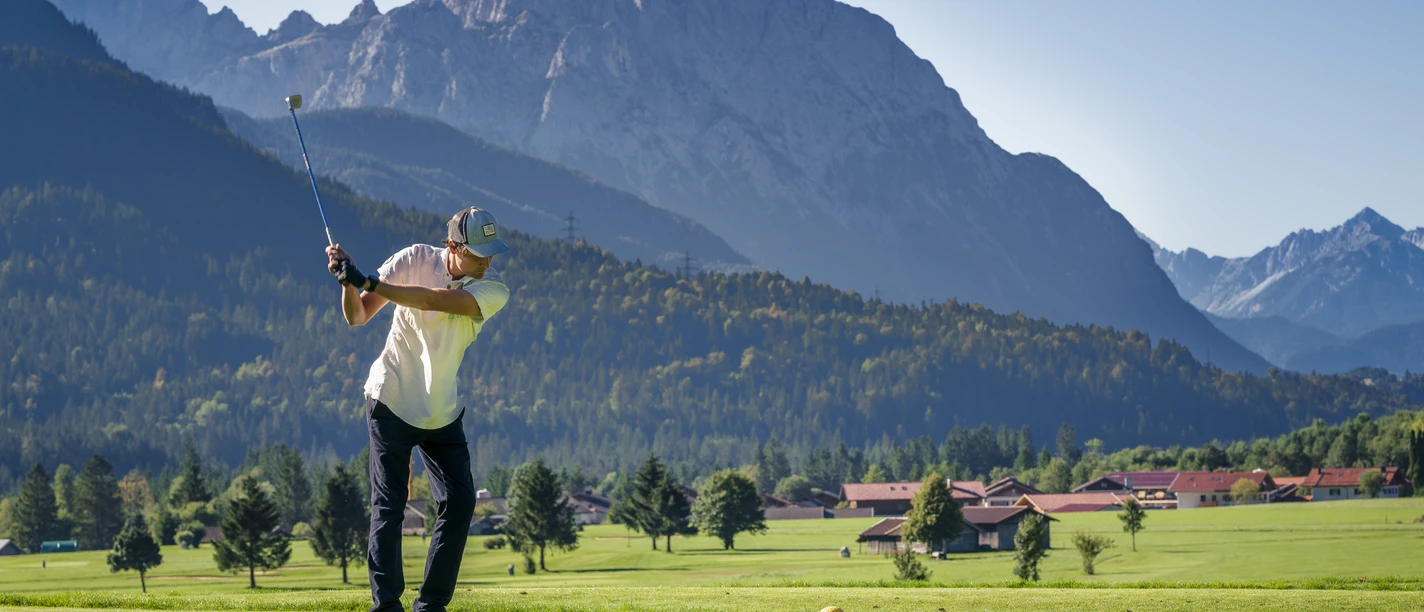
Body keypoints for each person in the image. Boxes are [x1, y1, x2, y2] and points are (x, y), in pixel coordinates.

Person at [325, 207, 511, 612]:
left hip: (441, 411)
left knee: (460, 501)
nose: (487, 261)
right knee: (389, 505)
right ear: (453, 245)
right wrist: (346, 282)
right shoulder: (412, 260)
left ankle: (431, 605)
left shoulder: (492, 291)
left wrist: (369, 280)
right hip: (390, 399)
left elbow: (431, 299)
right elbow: (357, 316)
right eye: (478, 253)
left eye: (490, 253)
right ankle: (387, 604)